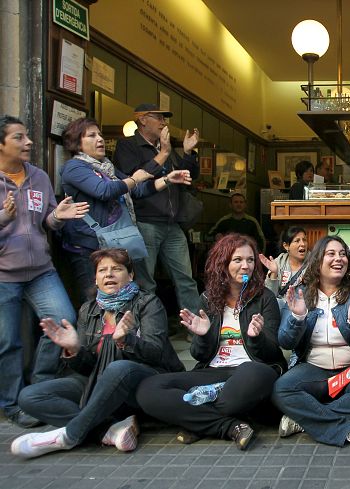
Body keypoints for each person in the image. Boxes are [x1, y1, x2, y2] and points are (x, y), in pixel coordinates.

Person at [10, 248, 184, 458]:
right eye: (102, 270)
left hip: (144, 382)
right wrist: (74, 350)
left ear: (130, 276)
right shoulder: (88, 309)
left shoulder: (148, 303)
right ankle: (108, 429)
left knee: (118, 368)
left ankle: (68, 436)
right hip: (98, 381)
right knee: (30, 396)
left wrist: (125, 340)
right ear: (96, 278)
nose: (108, 274)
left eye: (117, 269)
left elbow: (156, 353)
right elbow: (88, 367)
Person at [136, 234, 285, 450]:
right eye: (238, 260)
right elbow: (200, 355)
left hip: (253, 370)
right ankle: (228, 425)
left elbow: (272, 353)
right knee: (149, 389)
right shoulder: (208, 298)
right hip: (214, 370)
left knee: (252, 375)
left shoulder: (265, 298)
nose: (246, 266)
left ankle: (196, 422)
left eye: (250, 260)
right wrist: (203, 335)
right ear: (223, 263)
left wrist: (257, 337)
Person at [0, 115, 89, 428]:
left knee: (65, 321)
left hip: (41, 271)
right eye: (19, 138)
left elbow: (47, 222)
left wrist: (59, 216)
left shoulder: (38, 176)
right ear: (1, 145)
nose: (28, 143)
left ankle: (39, 387)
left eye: (27, 137)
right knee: (8, 342)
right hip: (3, 276)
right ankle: (12, 405)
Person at [60, 117, 192, 302]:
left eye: (100, 134)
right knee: (93, 301)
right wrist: (135, 178)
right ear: (77, 143)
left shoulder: (107, 167)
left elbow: (136, 190)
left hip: (110, 245)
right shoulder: (73, 167)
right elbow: (104, 191)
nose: (100, 139)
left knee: (119, 300)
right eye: (91, 135)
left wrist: (168, 179)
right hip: (87, 246)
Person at [271, 236, 350, 447]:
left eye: (343, 254)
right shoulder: (301, 293)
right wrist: (298, 317)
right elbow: (285, 342)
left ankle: (305, 420)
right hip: (314, 368)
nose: (339, 259)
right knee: (281, 389)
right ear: (318, 260)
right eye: (331, 254)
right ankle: (349, 428)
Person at [112, 103, 202, 315]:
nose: (164, 122)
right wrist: (162, 153)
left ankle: (196, 331)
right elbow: (133, 181)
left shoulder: (164, 148)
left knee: (186, 280)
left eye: (165, 118)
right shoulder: (128, 146)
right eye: (159, 117)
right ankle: (149, 329)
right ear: (143, 120)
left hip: (172, 224)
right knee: (146, 282)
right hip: (145, 222)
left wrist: (189, 153)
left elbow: (188, 176)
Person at [260, 225, 307, 301]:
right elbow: (270, 297)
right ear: (286, 246)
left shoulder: (314, 263)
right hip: (282, 308)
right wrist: (274, 273)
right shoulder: (278, 263)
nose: (303, 244)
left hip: (305, 309)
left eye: (304, 240)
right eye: (297, 241)